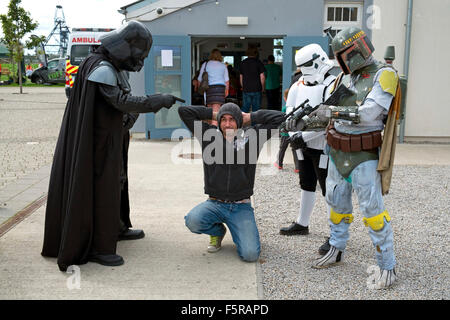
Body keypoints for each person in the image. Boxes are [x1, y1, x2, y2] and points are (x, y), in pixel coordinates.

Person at [41, 21, 182, 271]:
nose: (140, 61)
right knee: (102, 187)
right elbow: (119, 101)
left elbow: (118, 105)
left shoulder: (109, 65)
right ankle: (97, 245)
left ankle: (115, 227)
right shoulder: (102, 67)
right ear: (127, 48)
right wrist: (156, 100)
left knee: (117, 183)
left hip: (111, 138)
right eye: (140, 54)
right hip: (98, 144)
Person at [290, 27, 401, 289]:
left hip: (363, 152)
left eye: (343, 55)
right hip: (336, 149)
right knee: (336, 203)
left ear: (355, 50)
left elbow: (370, 114)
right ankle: (337, 247)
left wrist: (331, 113)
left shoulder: (384, 75)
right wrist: (307, 122)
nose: (340, 61)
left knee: (372, 210)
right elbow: (329, 109)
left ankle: (387, 264)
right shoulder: (345, 77)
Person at [178, 103, 284, 262]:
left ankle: (241, 231)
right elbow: (184, 111)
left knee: (250, 255)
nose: (227, 124)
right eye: (224, 120)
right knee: (192, 221)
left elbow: (281, 118)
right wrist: (215, 114)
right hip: (215, 203)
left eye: (232, 119)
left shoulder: (252, 137)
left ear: (240, 121)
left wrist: (252, 117)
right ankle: (217, 231)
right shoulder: (208, 135)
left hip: (240, 206)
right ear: (219, 122)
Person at [279, 44, 336, 236]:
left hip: (323, 146)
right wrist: (293, 132)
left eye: (308, 66)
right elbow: (290, 110)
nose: (306, 72)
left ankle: (335, 232)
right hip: (301, 144)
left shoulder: (331, 85)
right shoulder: (297, 85)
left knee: (328, 189)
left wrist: (301, 136)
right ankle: (302, 223)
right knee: (306, 183)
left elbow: (327, 118)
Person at [198, 49, 229, 126]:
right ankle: (213, 131)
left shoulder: (205, 64)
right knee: (216, 111)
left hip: (209, 89)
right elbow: (227, 81)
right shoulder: (223, 66)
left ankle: (210, 129)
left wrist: (200, 89)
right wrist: (226, 91)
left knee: (210, 111)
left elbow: (199, 79)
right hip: (220, 89)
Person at [239, 47, 266, 113]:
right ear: (256, 53)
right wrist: (262, 87)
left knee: (245, 107)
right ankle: (255, 123)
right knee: (256, 109)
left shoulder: (243, 63)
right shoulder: (258, 62)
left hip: (246, 89)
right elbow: (262, 76)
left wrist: (243, 86)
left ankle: (241, 122)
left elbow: (241, 77)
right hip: (257, 88)